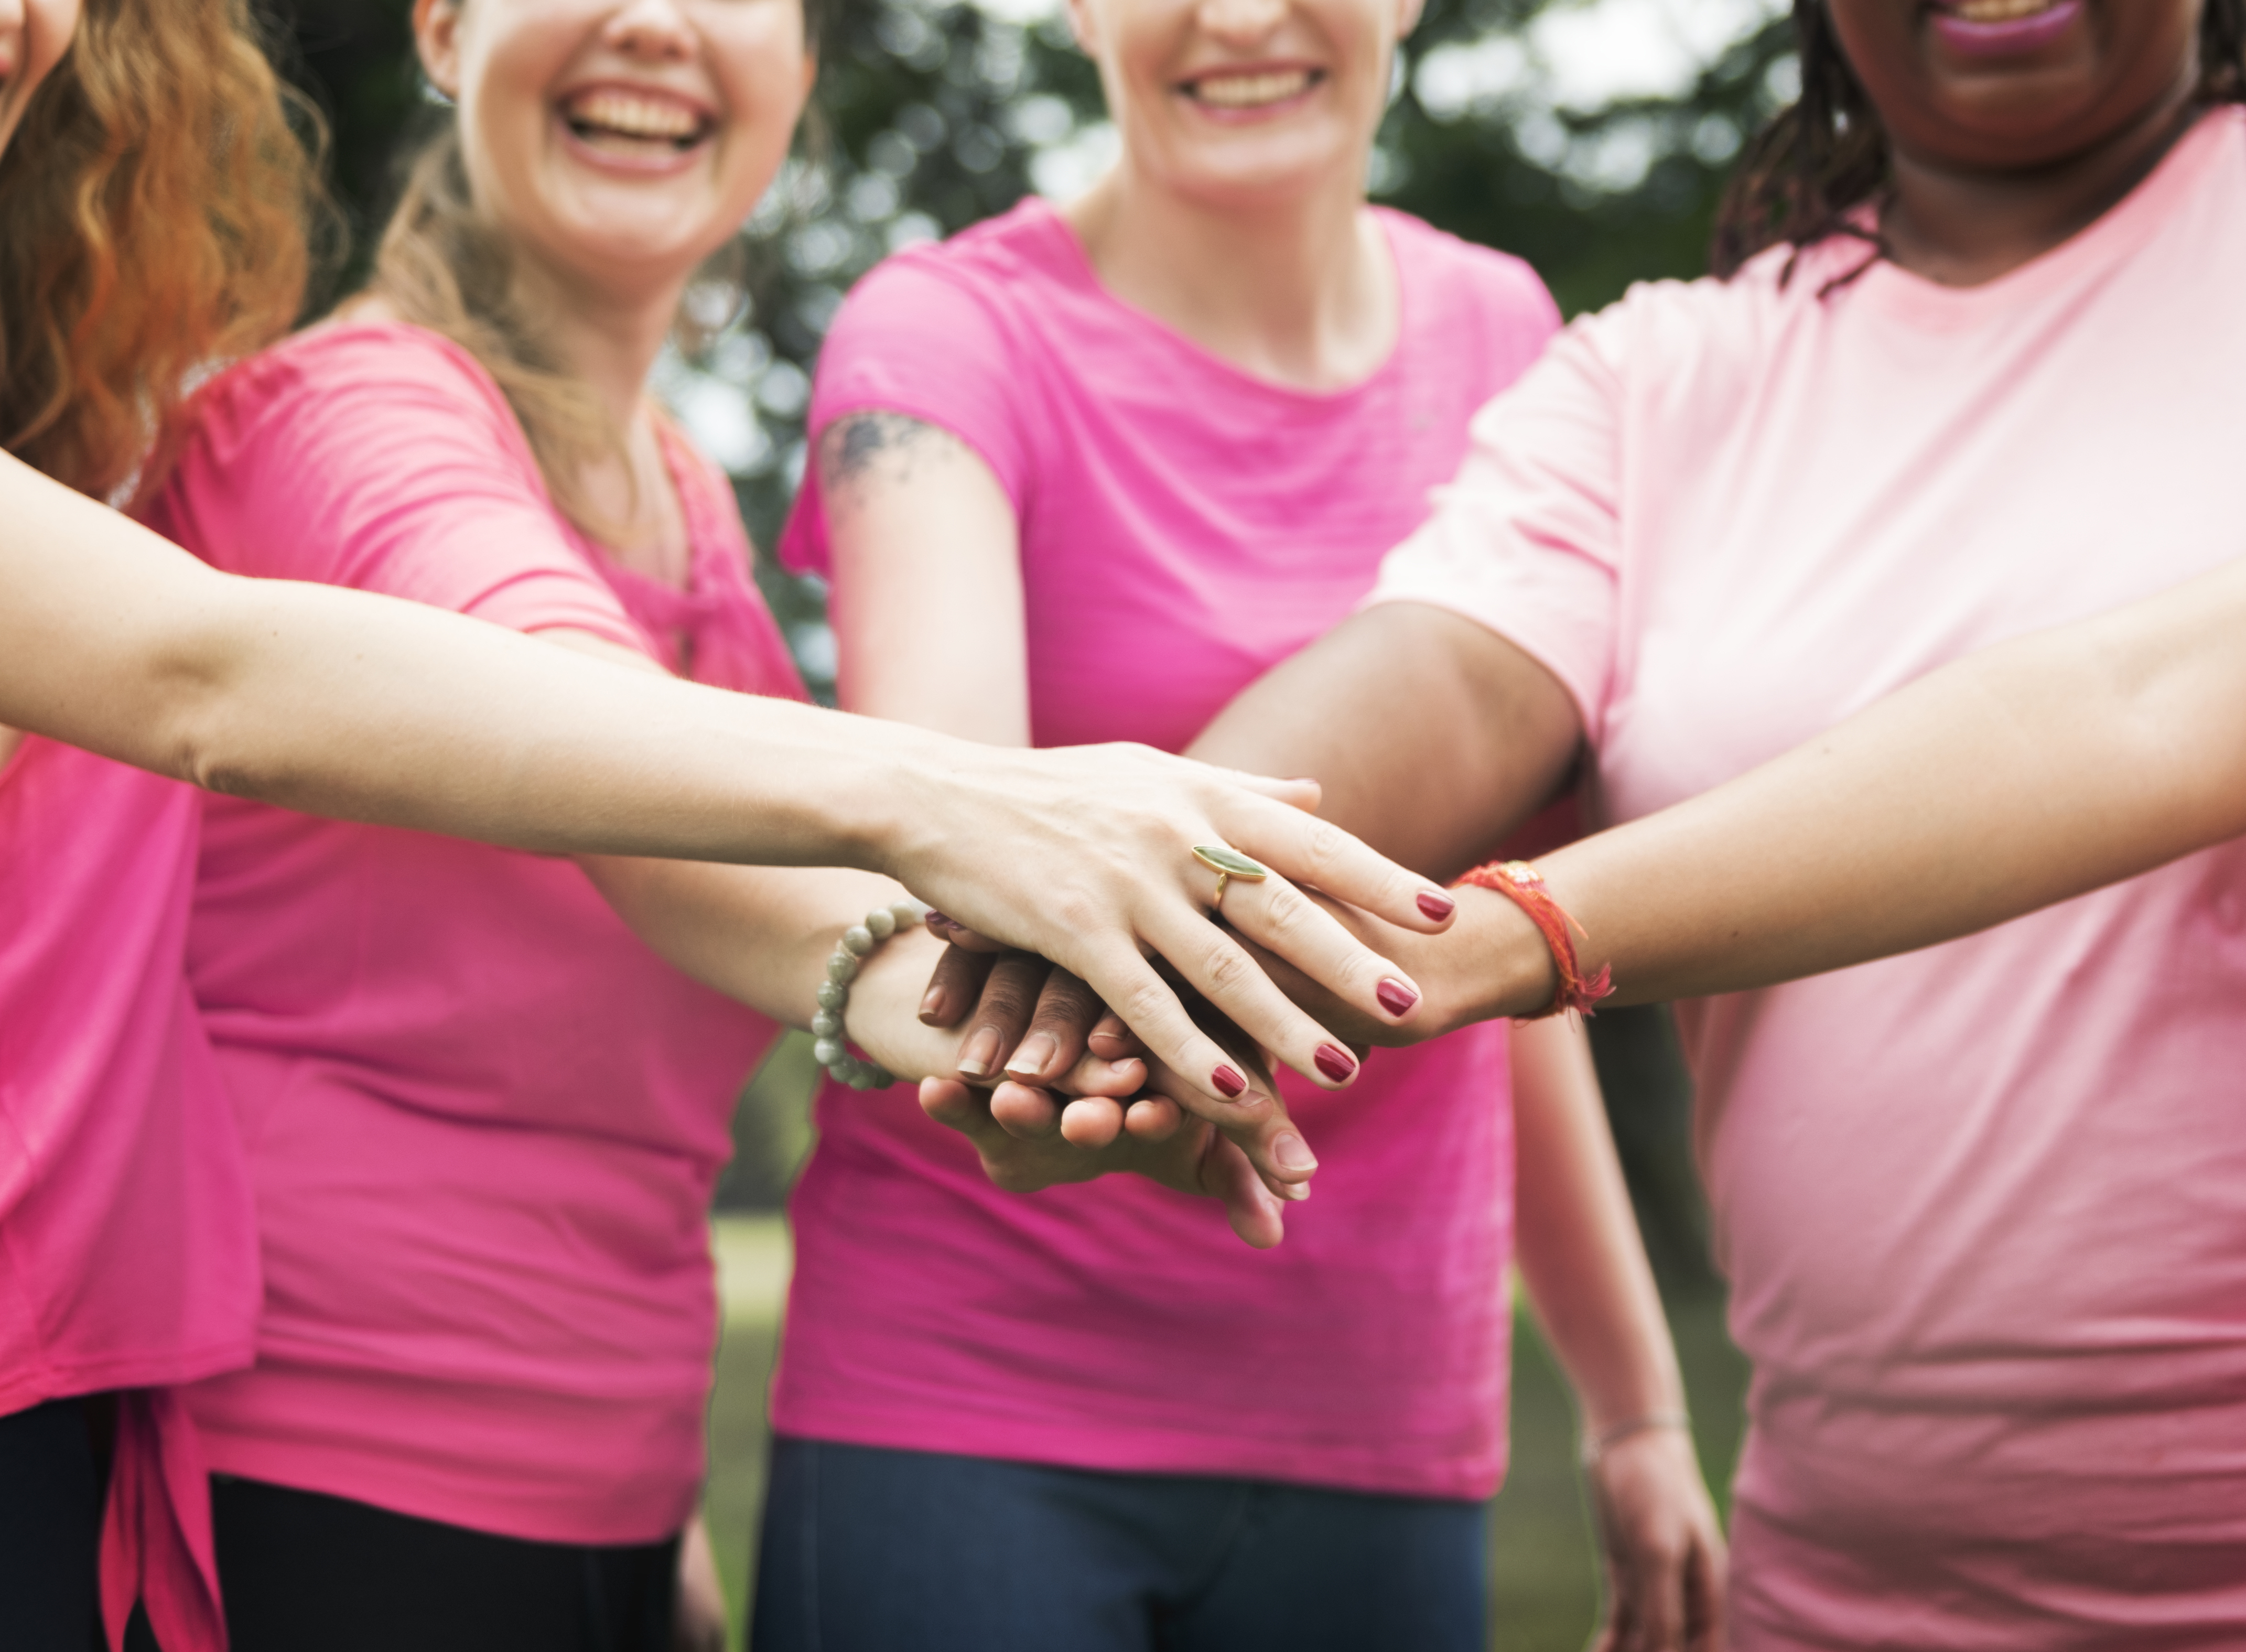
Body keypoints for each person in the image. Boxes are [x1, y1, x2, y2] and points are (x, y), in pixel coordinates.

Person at [0, 2, 1451, 1647]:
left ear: (804, 71)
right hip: (329, 1487)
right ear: (441, 29)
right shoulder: (345, 413)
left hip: (600, 1492)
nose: (654, 22)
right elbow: (613, 781)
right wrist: (988, 910)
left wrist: (656, 1505)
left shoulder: (686, 487)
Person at [946, 0, 2246, 1642]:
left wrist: (1515, 934)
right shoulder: (1664, 376)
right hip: (1839, 1585)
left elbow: (2146, 715)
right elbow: (1446, 678)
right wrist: (1132, 937)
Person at [759, 0, 1725, 1642]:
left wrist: (1632, 1404)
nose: (1238, 16)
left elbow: (1484, 939)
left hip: (1380, 1411)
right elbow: (944, 829)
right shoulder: (937, 341)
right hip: (965, 1399)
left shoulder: (1502, 333)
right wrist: (1050, 1066)